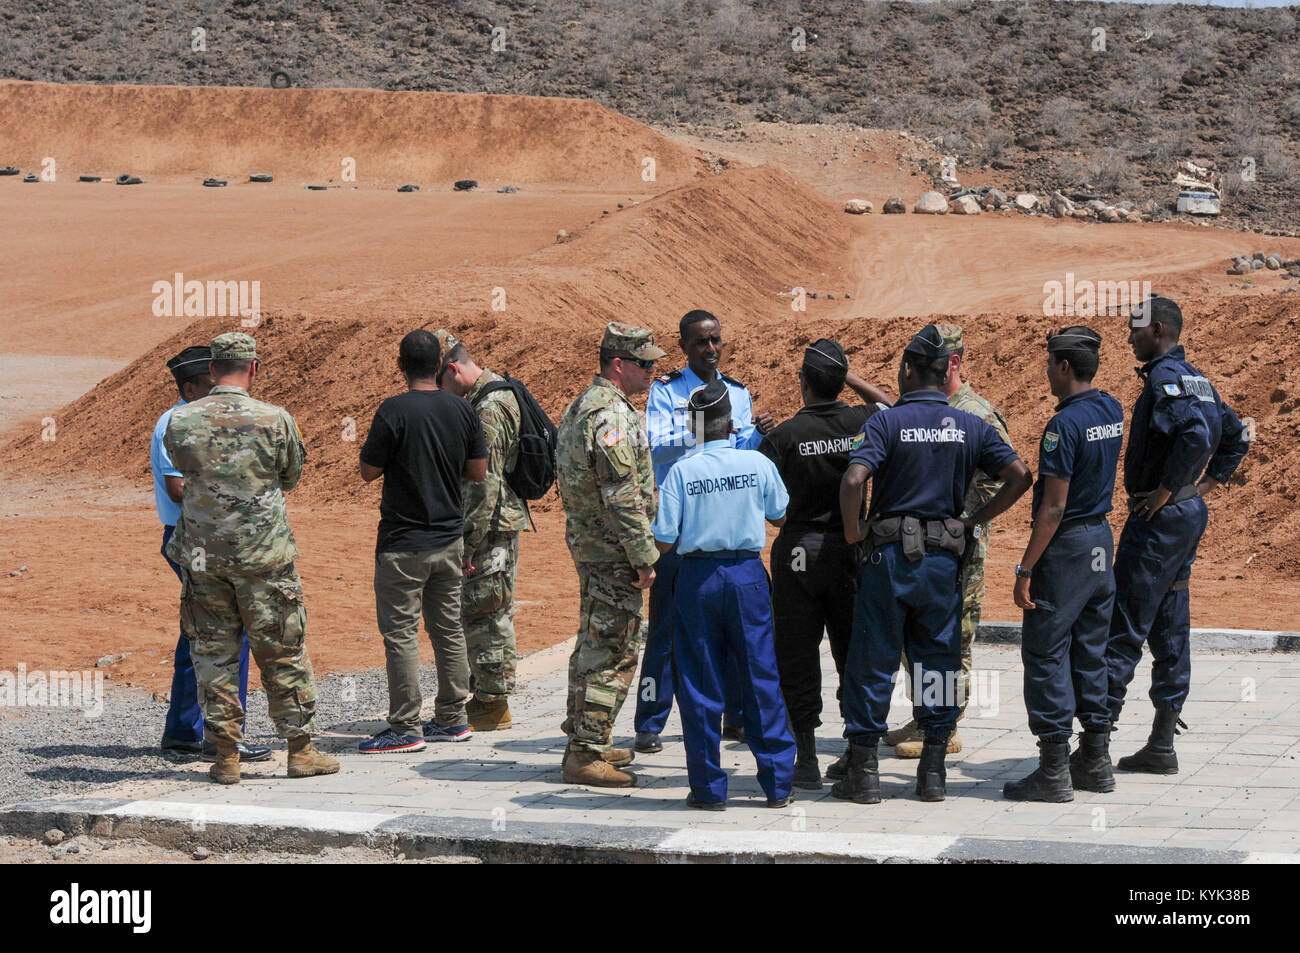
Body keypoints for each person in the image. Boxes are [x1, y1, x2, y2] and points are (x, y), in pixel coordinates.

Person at [835, 324, 1031, 804]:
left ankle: (863, 776)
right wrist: (973, 522)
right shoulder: (971, 425)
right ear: (947, 372)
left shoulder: (885, 424)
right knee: (938, 664)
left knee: (873, 661)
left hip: (888, 561)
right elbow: (1020, 476)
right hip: (943, 565)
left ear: (906, 370)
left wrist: (853, 530)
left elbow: (854, 477)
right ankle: (933, 774)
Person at [164, 332, 337, 784]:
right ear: (253, 369)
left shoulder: (180, 421)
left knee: (213, 655)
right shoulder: (276, 419)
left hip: (203, 558)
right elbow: (291, 476)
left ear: (212, 370)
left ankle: (225, 757)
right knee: (283, 650)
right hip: (264, 557)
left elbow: (183, 469)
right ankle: (300, 750)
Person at [1104, 296, 1249, 774]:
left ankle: (1092, 748)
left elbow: (1194, 435)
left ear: (1159, 330)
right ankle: (1161, 744)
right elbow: (1238, 434)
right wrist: (1204, 485)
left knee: (1125, 622)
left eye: (1135, 330)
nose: (1129, 338)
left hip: (1160, 520)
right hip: (1185, 516)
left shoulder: (1167, 379)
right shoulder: (1200, 381)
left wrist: (1168, 490)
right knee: (1170, 619)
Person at [635, 309, 775, 754]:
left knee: (732, 634)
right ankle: (650, 721)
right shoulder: (665, 391)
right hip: (678, 527)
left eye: (716, 340)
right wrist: (710, 428)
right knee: (665, 630)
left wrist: (759, 437)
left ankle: (734, 717)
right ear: (684, 347)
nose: (710, 349)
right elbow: (657, 443)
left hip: (723, 522)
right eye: (701, 342)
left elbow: (741, 447)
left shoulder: (737, 391)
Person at [653, 380, 794, 809]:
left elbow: (663, 540)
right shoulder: (756, 463)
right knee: (761, 676)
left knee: (698, 683)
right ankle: (777, 785)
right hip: (748, 575)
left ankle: (709, 789)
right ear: (731, 424)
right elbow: (780, 515)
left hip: (697, 579)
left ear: (693, 427)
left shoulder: (681, 472)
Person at [757, 339, 891, 789]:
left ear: (804, 383)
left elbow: (768, 505)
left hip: (797, 551)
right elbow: (891, 405)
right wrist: (849, 376)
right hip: (850, 549)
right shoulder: (863, 421)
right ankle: (856, 752)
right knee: (853, 653)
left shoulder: (782, 436)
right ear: (839, 382)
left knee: (796, 654)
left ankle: (807, 758)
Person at [1004, 327, 1123, 801]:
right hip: (1100, 541)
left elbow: (1053, 507)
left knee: (1046, 651)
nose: (1047, 371)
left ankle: (1053, 769)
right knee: (1092, 649)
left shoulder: (1063, 426)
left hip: (1068, 547)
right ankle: (1095, 759)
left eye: (1050, 363)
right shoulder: (1110, 408)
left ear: (1065, 368)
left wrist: (1025, 568)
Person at [884, 324, 1012, 760]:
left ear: (952, 363)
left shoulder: (976, 414)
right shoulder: (929, 409)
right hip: (921, 547)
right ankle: (925, 716)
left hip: (959, 550)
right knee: (915, 637)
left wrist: (962, 520)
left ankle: (947, 725)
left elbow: (1000, 483)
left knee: (953, 639)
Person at [358, 329, 487, 753]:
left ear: (401, 365)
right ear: (439, 365)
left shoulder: (392, 410)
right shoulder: (463, 410)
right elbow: (478, 472)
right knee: (448, 630)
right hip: (449, 539)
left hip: (401, 542)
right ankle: (453, 718)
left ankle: (406, 726)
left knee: (401, 635)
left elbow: (368, 471)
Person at [556, 322, 665, 787]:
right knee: (614, 651)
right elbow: (621, 496)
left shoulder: (587, 404)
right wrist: (644, 556)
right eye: (644, 364)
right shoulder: (611, 416)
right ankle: (584, 752)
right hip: (613, 552)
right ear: (618, 364)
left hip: (595, 547)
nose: (653, 371)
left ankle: (588, 739)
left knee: (592, 644)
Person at [153, 346, 269, 764]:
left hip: (201, 536)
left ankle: (187, 731)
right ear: (189, 387)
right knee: (227, 634)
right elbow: (177, 488)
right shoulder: (176, 421)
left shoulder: (197, 419)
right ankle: (221, 738)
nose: (218, 389)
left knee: (200, 633)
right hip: (194, 540)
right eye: (209, 383)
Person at [433, 329, 528, 732]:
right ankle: (490, 696)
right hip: (498, 523)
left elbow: (482, 483)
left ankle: (493, 705)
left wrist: (468, 543)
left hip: (489, 528)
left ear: (452, 369)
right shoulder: (492, 394)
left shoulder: (487, 408)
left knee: (485, 615)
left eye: (439, 383)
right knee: (491, 610)